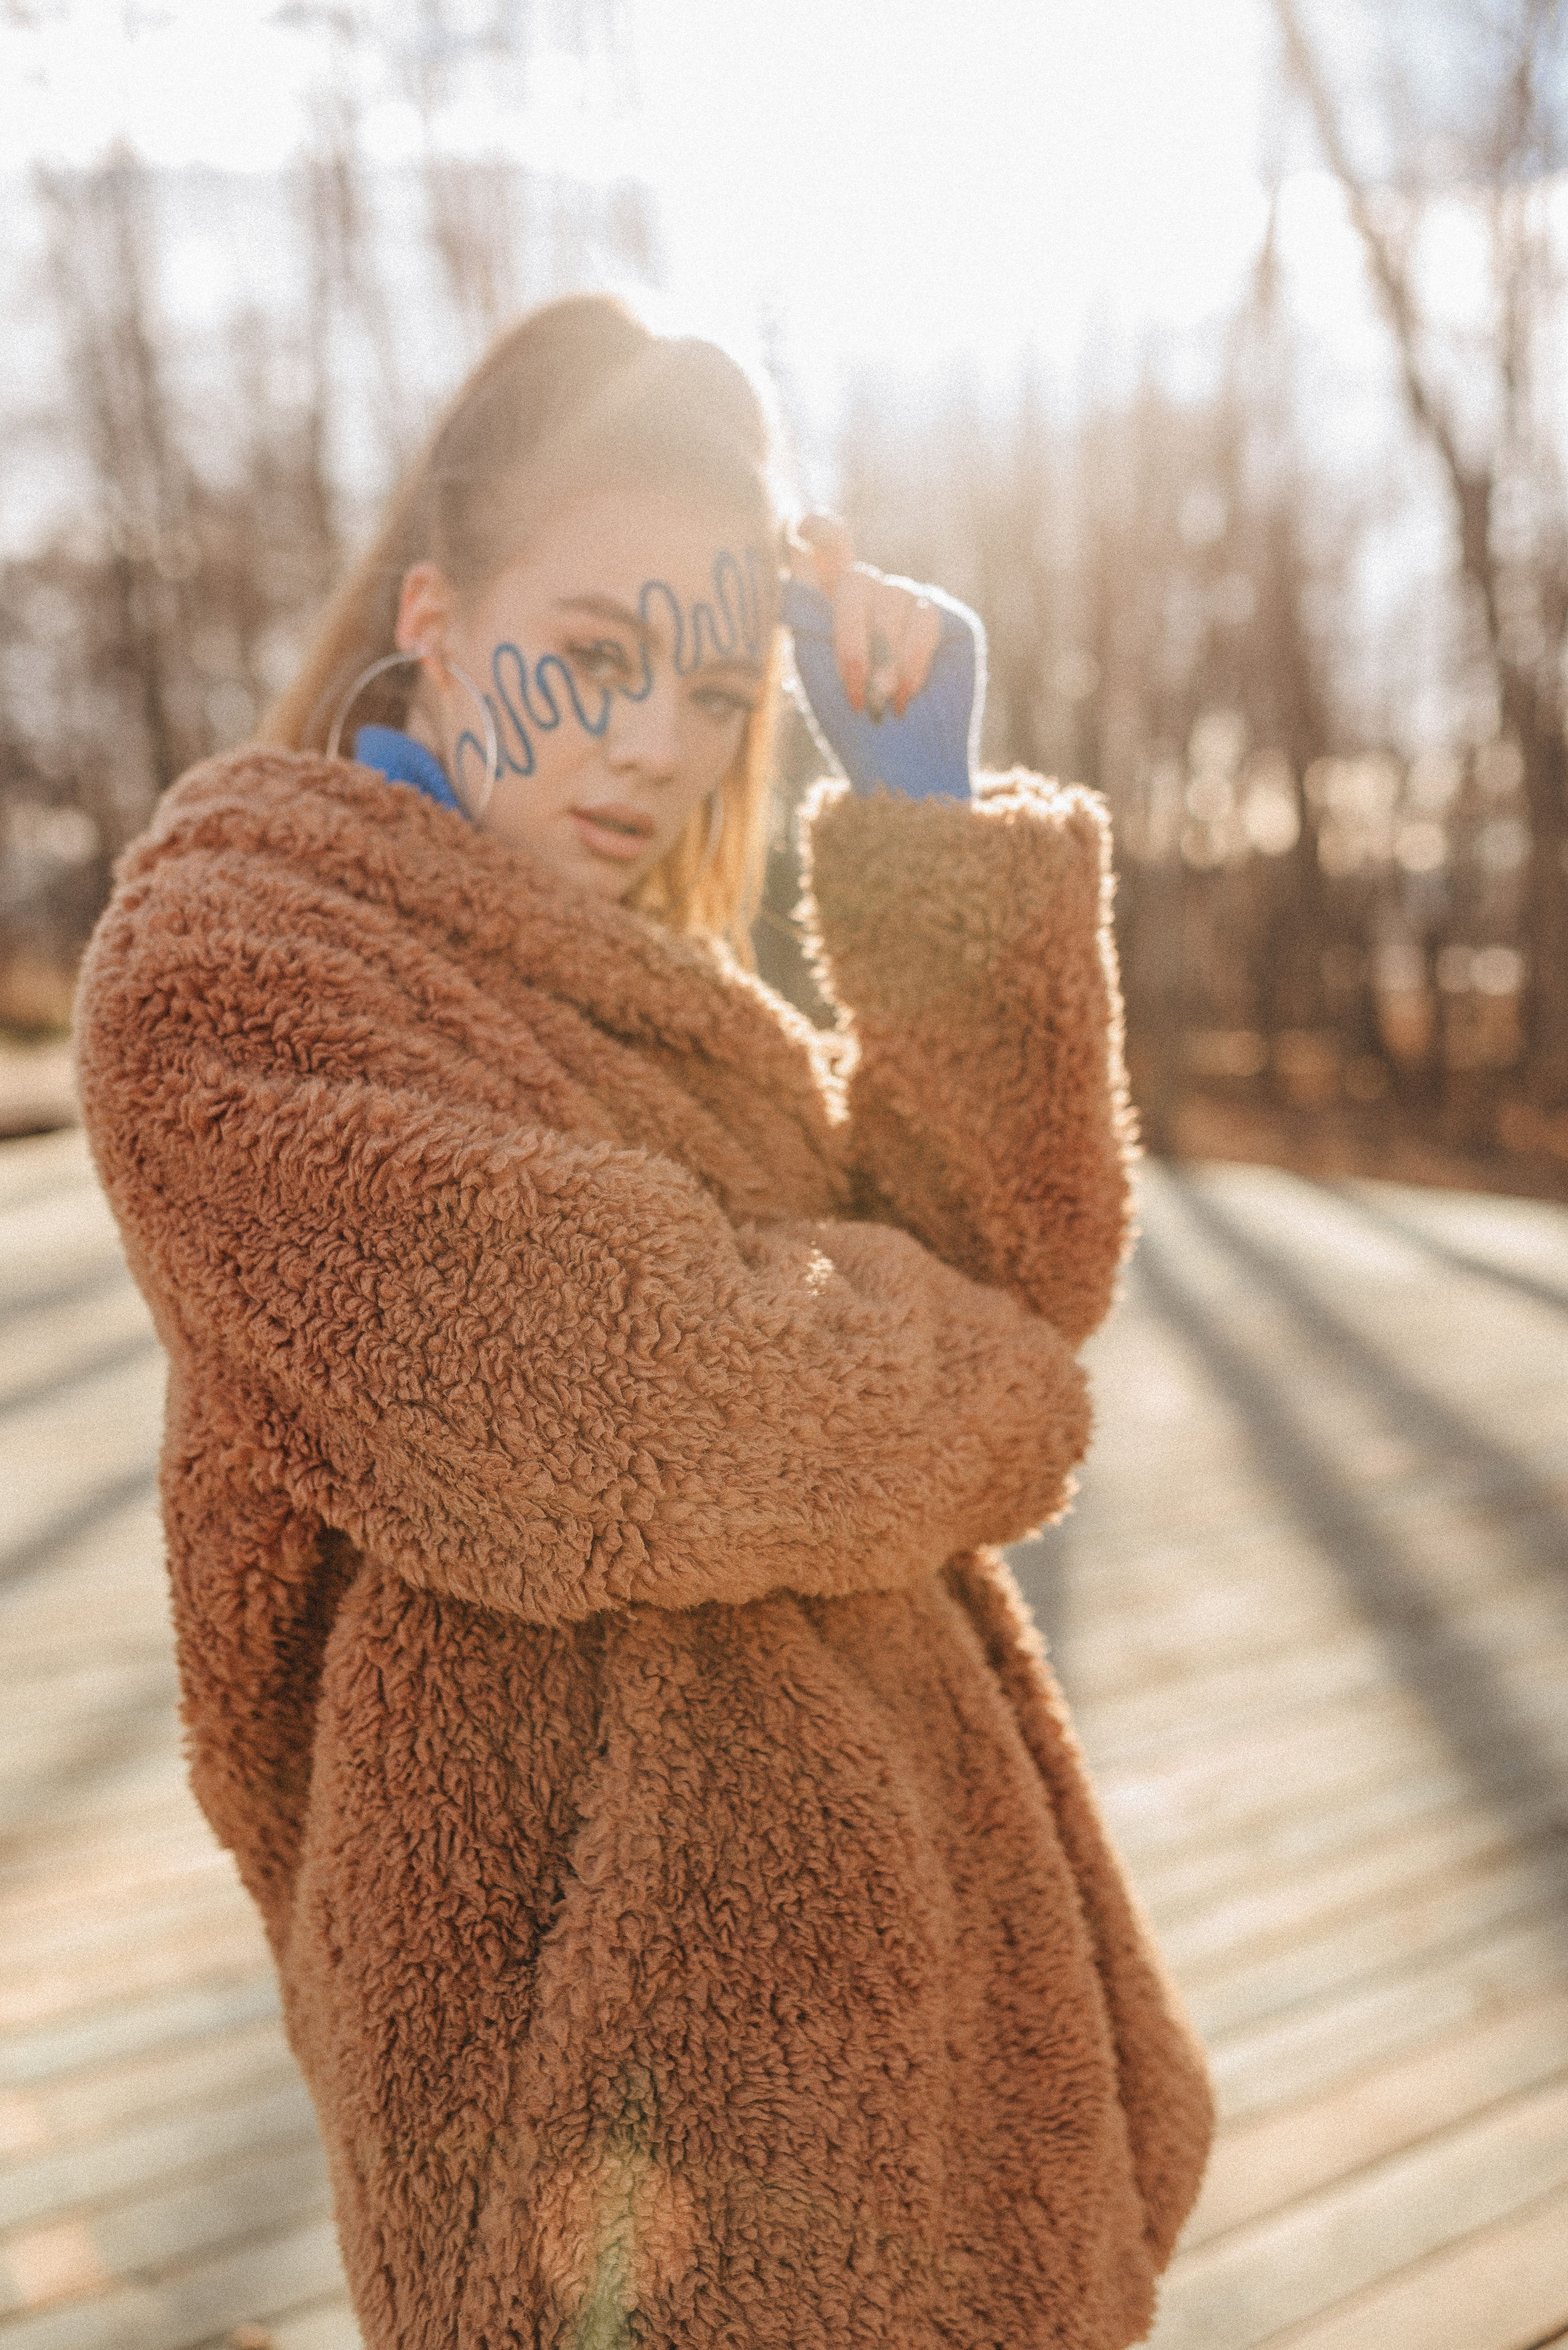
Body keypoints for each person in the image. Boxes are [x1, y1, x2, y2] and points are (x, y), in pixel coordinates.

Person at [75, 292, 1211, 2350]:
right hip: (611, 2115)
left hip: (937, 2012)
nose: (653, 748)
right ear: (434, 612)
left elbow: (1017, 1262)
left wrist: (934, 832)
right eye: (591, 659)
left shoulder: (667, 999)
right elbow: (631, 1402)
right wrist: (984, 1389)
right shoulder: (234, 956)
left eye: (708, 687)